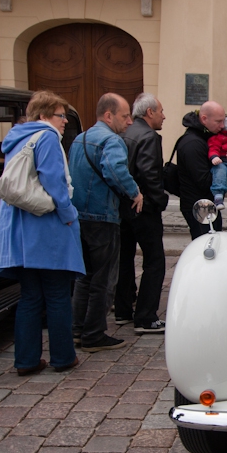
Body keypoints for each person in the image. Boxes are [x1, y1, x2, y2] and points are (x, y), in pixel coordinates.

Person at [0, 91, 85, 375]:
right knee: (57, 294)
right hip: (46, 228)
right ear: (44, 115)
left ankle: (27, 360)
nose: (65, 122)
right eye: (61, 116)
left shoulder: (17, 138)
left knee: (30, 297)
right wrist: (70, 216)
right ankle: (62, 357)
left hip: (20, 231)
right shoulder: (45, 137)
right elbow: (54, 182)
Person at [69, 93, 143, 352]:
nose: (130, 121)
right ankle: (93, 334)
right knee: (104, 279)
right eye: (125, 116)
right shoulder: (112, 140)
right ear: (108, 115)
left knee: (84, 277)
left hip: (79, 216)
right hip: (103, 216)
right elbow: (115, 170)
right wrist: (135, 192)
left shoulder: (80, 138)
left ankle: (78, 330)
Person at [115, 93, 169, 334]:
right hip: (143, 209)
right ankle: (146, 317)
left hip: (124, 207)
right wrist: (159, 200)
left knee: (124, 259)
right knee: (155, 261)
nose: (163, 116)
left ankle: (123, 310)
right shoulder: (148, 136)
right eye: (160, 111)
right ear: (149, 112)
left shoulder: (126, 132)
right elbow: (149, 174)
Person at [177, 101, 227, 239]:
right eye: (219, 121)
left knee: (214, 239)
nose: (223, 126)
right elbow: (203, 180)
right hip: (198, 206)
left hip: (208, 203)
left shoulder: (210, 135)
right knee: (206, 244)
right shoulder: (193, 143)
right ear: (204, 119)